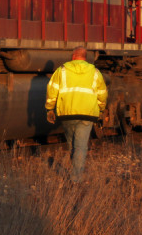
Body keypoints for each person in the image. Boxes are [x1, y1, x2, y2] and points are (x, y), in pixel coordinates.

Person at [45, 47, 108, 181]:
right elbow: (102, 94)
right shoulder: (95, 72)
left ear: (73, 56)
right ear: (85, 57)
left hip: (67, 114)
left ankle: (75, 173)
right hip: (87, 114)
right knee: (80, 146)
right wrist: (101, 109)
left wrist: (50, 108)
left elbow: (52, 91)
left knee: (72, 145)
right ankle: (76, 177)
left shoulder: (62, 70)